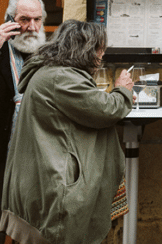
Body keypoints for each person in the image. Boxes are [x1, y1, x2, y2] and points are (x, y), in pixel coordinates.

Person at [0, 20, 134, 244]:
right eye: (100, 48)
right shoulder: (60, 77)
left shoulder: (53, 72)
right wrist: (123, 90)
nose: (102, 55)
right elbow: (106, 109)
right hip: (55, 184)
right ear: (85, 49)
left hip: (43, 179)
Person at [0, 0, 46, 200]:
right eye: (24, 20)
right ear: (10, 21)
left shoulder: (49, 56)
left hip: (35, 153)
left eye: (37, 20)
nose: (33, 27)